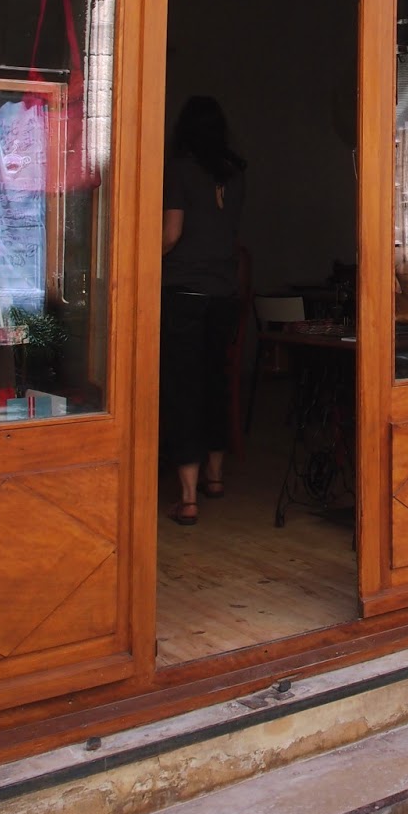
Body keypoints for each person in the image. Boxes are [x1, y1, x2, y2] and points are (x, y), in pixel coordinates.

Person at [160, 96, 246, 525]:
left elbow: (171, 234)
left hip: (183, 293)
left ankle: (188, 496)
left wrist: (137, 252)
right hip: (224, 294)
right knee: (216, 382)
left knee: (183, 390)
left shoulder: (178, 170)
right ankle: (215, 478)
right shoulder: (234, 174)